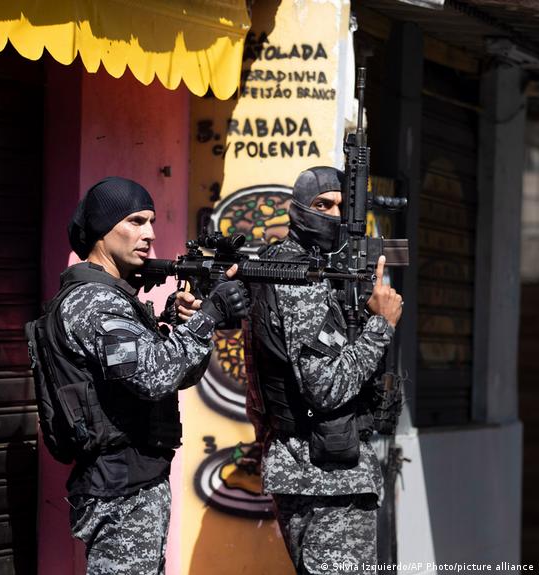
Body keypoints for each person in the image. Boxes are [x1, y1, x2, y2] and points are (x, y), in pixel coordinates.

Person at [42, 177, 248, 574]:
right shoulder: (95, 302)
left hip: (134, 484)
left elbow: (175, 375)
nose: (150, 234)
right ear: (102, 230)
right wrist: (210, 315)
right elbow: (153, 377)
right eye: (135, 221)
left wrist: (183, 322)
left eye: (151, 221)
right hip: (118, 493)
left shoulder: (116, 298)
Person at [245, 166, 403, 574]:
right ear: (298, 209)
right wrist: (381, 325)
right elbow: (326, 386)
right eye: (322, 205)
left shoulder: (285, 266)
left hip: (310, 471)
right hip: (328, 479)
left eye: (342, 206)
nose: (333, 215)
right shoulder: (302, 278)